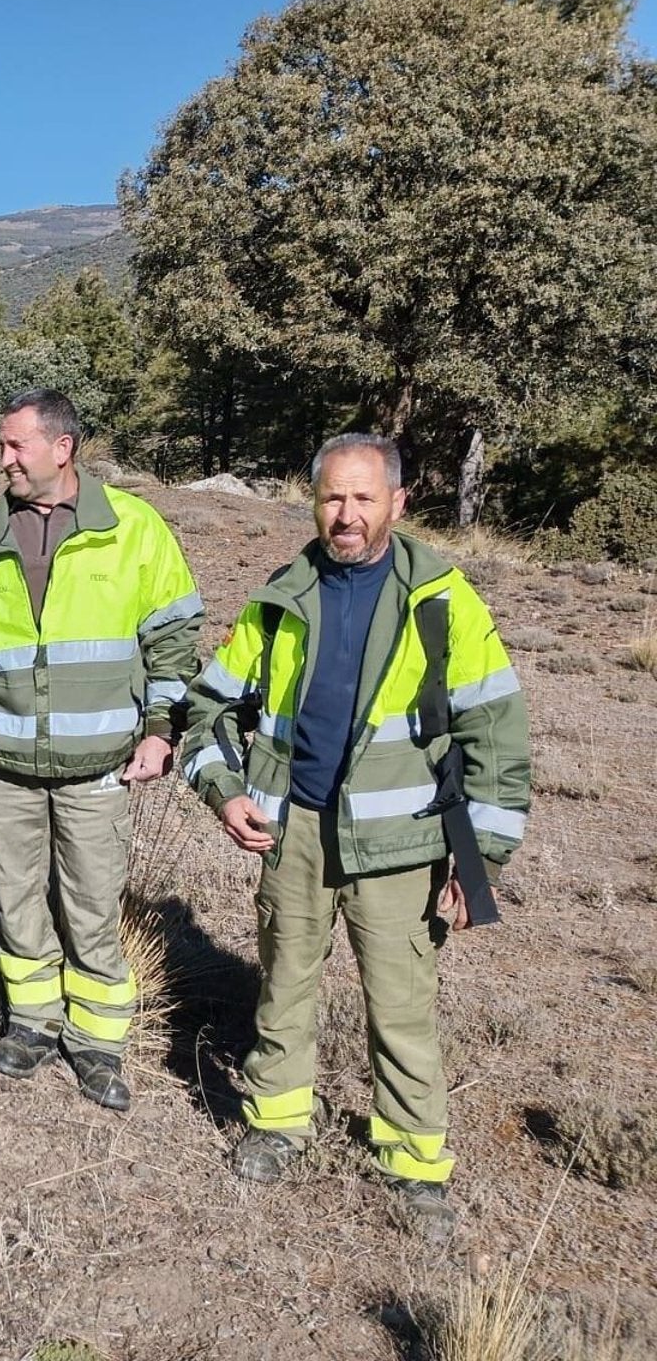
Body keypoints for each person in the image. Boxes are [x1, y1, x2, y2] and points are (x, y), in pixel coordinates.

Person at [181, 433, 529, 1243]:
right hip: (295, 832)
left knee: (401, 1009)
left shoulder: (443, 602)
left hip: (402, 844)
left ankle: (415, 1167)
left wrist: (481, 859)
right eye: (333, 496)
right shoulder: (282, 596)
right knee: (284, 986)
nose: (346, 514)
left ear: (398, 503)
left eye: (363, 497)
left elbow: (496, 733)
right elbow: (208, 707)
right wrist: (225, 792)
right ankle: (276, 1124)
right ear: (314, 502)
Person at [0, 389, 202, 1112]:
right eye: (2, 445)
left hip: (99, 764)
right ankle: (32, 1023)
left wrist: (161, 728)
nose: (4, 459)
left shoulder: (133, 530)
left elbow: (173, 638)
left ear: (62, 447)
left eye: (15, 445)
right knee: (16, 899)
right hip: (7, 766)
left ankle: (98, 1044)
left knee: (91, 903)